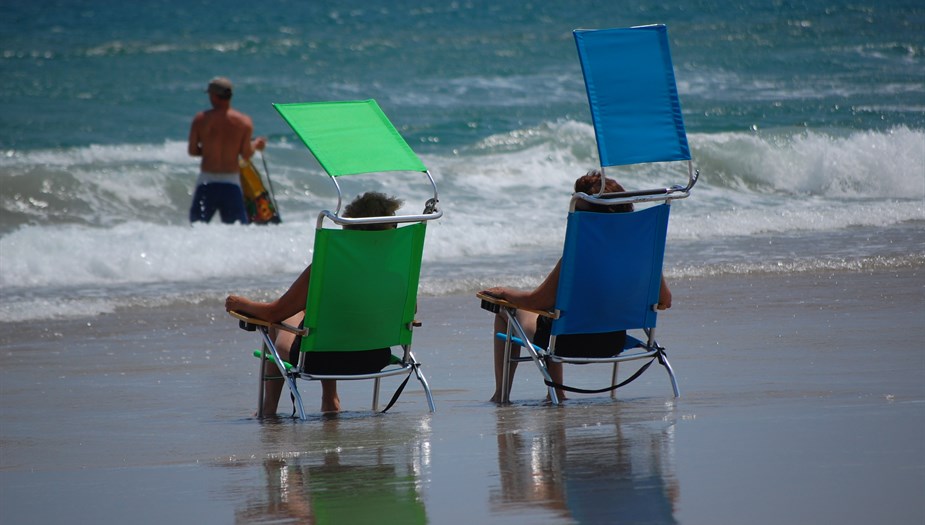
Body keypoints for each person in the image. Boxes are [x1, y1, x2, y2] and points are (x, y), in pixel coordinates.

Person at [480, 170, 673, 403]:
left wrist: (504, 293)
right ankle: (556, 393)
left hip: (567, 344)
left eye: (580, 214)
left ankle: (503, 396)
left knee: (507, 311)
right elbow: (664, 301)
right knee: (557, 312)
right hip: (613, 341)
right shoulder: (644, 256)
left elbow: (537, 302)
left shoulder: (575, 259)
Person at [225, 192, 403, 415]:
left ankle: (268, 408)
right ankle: (330, 400)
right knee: (325, 314)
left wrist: (243, 303)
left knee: (285, 318)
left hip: (321, 360)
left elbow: (274, 312)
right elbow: (409, 311)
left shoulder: (325, 268)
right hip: (375, 357)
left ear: (349, 227)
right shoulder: (397, 273)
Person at [188, 76, 267, 224]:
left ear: (213, 96)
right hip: (231, 182)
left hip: (206, 181)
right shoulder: (244, 122)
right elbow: (245, 154)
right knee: (237, 230)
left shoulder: (201, 120)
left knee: (197, 226)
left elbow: (192, 150)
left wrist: (209, 151)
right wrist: (256, 144)